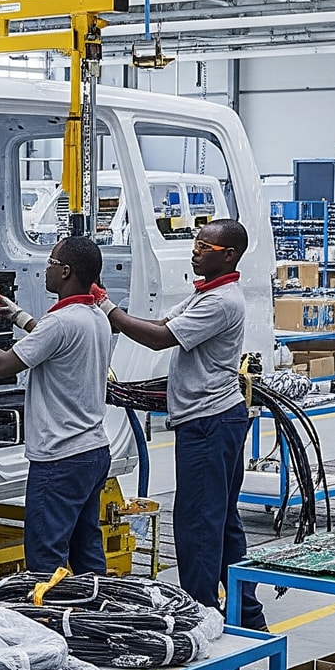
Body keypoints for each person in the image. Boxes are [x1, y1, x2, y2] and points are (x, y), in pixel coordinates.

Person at [102, 218, 267, 630]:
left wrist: (107, 308)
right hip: (215, 419)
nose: (194, 250)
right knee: (223, 520)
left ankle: (200, 615)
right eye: (195, 242)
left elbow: (160, 339)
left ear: (228, 255)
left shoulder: (222, 302)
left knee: (197, 524)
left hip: (209, 424)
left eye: (203, 246)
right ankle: (247, 614)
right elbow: (160, 326)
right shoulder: (204, 294)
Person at [0, 237, 114, 576]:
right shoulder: (94, 316)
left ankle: (52, 622)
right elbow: (54, 342)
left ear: (66, 272)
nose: (45, 271)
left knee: (45, 558)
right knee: (86, 552)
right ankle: (95, 616)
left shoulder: (61, 322)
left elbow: (5, 365)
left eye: (50, 264)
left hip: (60, 459)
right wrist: (17, 315)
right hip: (93, 451)